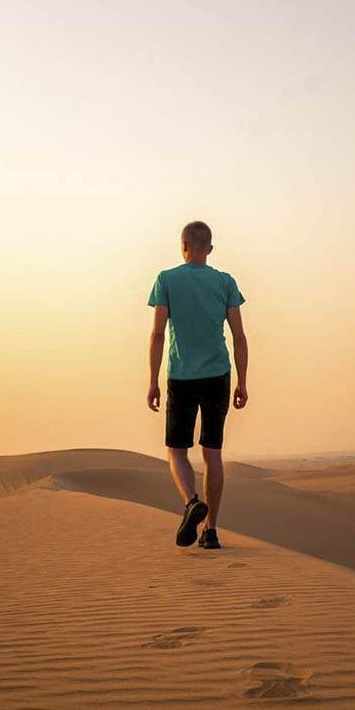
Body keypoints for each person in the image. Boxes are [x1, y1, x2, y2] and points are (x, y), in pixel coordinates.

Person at [147, 221, 249, 548]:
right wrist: (242, 382)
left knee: (177, 450)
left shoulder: (166, 280)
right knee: (212, 453)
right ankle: (211, 530)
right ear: (210, 249)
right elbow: (239, 336)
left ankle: (191, 501)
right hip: (219, 373)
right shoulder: (225, 282)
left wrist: (152, 381)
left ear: (183, 246)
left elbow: (159, 333)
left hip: (181, 375)